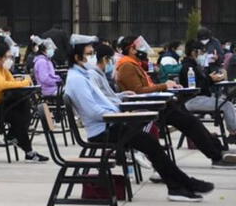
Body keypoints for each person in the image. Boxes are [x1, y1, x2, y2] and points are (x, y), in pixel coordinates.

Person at [64, 35, 214, 202]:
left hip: (110, 125)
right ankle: (182, 185)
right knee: (150, 144)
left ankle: (180, 185)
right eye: (89, 54)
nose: (93, 57)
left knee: (151, 143)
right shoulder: (77, 80)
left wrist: (120, 101)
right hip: (103, 130)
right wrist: (119, 114)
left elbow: (103, 101)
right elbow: (93, 112)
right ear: (77, 57)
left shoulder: (82, 75)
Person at [116, 36, 236, 169]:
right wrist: (164, 86)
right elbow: (138, 91)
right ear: (132, 49)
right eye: (139, 46)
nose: (143, 49)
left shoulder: (134, 64)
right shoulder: (127, 66)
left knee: (192, 121)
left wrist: (166, 86)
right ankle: (216, 156)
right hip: (149, 107)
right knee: (190, 122)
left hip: (157, 103)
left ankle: (218, 150)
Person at [0, 43, 48, 162]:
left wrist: (20, 82)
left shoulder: (2, 69)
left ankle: (14, 137)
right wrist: (24, 82)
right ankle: (26, 149)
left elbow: (12, 82)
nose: (10, 60)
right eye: (7, 57)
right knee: (17, 117)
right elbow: (2, 85)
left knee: (23, 104)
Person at [179, 40, 236, 144]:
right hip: (192, 100)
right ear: (193, 52)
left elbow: (201, 82)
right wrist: (211, 79)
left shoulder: (194, 66)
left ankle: (233, 131)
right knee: (226, 105)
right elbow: (195, 87)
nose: (203, 55)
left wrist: (211, 78)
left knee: (226, 102)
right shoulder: (188, 67)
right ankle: (234, 133)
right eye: (201, 52)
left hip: (199, 97)